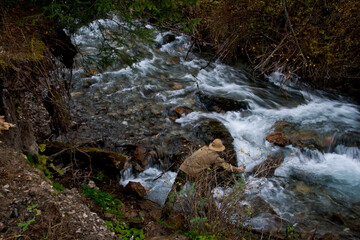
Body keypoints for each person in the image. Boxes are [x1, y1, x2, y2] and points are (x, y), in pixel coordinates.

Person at [163, 139, 245, 213]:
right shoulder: (215, 157)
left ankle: (165, 213)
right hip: (193, 173)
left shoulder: (204, 148)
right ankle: (207, 212)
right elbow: (226, 166)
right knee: (203, 193)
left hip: (183, 168)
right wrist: (238, 169)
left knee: (174, 191)